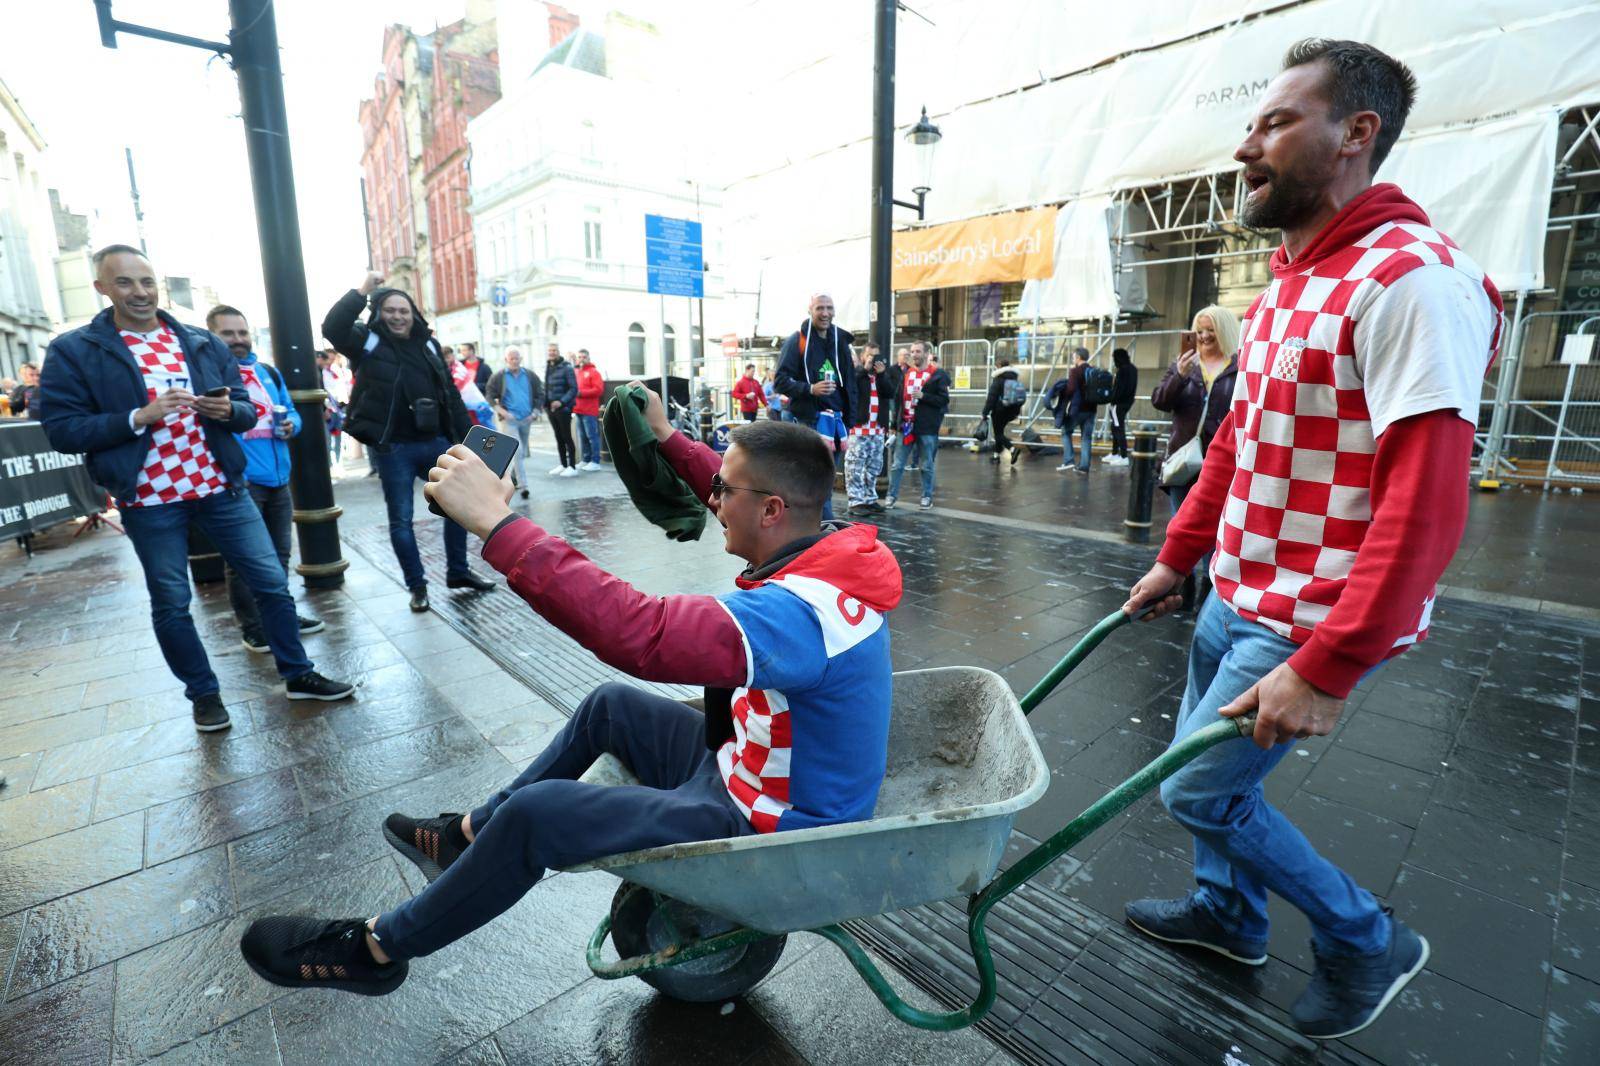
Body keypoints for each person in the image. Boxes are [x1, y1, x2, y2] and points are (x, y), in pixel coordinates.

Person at [238, 395, 902, 996]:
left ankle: (375, 951)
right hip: (745, 758)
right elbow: (739, 485)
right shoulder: (826, 543)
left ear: (771, 511)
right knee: (610, 705)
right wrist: (668, 437)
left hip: (771, 821)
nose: (713, 499)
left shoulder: (800, 617)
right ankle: (468, 838)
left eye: (724, 492)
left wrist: (497, 525)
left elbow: (640, 631)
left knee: (540, 814)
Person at [1121, 39, 1504, 1040]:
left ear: (1355, 135)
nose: (1244, 146)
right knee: (1202, 786)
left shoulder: (1412, 281)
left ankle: (1363, 935)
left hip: (1307, 616)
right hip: (1238, 590)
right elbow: (1237, 445)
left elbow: (1424, 504)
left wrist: (1329, 666)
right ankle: (1227, 916)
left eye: (1274, 122)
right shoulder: (1290, 278)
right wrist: (1180, 555)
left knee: (1196, 791)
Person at [40, 246, 354, 731]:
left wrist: (231, 412)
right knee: (171, 603)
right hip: (147, 501)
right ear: (101, 287)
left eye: (147, 281)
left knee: (272, 583)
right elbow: (62, 429)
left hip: (221, 489)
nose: (140, 292)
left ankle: (298, 673)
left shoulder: (199, 341)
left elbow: (248, 409)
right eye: (124, 283)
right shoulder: (74, 349)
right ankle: (204, 696)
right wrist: (138, 417)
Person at [322, 271, 496, 613]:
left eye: (404, 310)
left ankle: (458, 572)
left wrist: (470, 443)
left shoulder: (429, 345)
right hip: (394, 448)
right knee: (401, 521)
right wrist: (362, 291)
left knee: (458, 509)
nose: (398, 316)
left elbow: (451, 396)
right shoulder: (367, 341)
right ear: (379, 313)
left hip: (435, 441)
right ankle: (417, 587)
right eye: (390, 310)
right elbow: (333, 328)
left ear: (413, 313)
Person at [207, 304, 325, 652]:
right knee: (243, 560)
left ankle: (281, 617)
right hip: (241, 482)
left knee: (279, 555)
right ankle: (253, 626)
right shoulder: (209, 378)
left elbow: (291, 412)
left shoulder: (268, 373)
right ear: (211, 335)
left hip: (278, 479)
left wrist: (292, 425)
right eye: (228, 333)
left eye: (242, 333)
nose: (238, 340)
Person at [1151, 307, 1241, 609]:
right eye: (1198, 331)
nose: (1203, 337)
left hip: (1221, 463)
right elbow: (1160, 401)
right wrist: (1179, 375)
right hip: (1183, 460)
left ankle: (1207, 588)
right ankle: (1182, 589)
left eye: (1210, 330)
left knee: (1214, 528)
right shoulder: (1183, 365)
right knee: (1182, 525)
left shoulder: (1240, 365)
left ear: (1225, 331)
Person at [774, 292, 855, 518]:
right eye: (820, 308)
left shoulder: (840, 342)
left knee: (824, 483)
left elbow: (850, 384)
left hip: (836, 423)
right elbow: (780, 381)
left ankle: (818, 535)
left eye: (829, 308)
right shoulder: (796, 341)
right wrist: (810, 389)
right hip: (807, 421)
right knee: (811, 484)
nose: (825, 313)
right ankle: (819, 536)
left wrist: (850, 421)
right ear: (810, 310)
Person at [885, 341, 948, 510]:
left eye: (918, 351)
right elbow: (898, 400)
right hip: (905, 426)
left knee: (926, 464)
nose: (914, 355)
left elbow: (944, 400)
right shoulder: (906, 374)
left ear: (927, 353)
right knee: (897, 464)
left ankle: (927, 496)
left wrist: (923, 396)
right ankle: (891, 495)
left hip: (926, 428)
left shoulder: (938, 374)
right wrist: (894, 423)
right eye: (912, 352)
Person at [845, 341, 892, 514]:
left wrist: (882, 375)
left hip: (878, 429)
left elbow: (890, 392)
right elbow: (850, 386)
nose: (873, 359)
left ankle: (869, 499)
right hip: (859, 429)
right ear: (863, 356)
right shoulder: (856, 373)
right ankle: (855, 501)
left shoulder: (882, 375)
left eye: (876, 355)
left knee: (874, 466)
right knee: (855, 465)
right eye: (870, 355)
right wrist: (864, 369)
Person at [486, 348, 540, 498]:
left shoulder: (529, 375)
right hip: (510, 421)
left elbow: (540, 394)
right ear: (506, 360)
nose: (515, 361)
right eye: (512, 359)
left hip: (526, 419)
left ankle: (514, 479)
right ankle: (524, 486)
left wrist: (535, 413)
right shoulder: (499, 376)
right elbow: (489, 395)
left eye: (517, 358)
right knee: (518, 451)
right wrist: (501, 411)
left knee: (520, 453)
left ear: (520, 359)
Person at [1049, 348, 1096, 474]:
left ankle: (1069, 461)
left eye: (1073, 357)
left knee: (1066, 432)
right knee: (1086, 437)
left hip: (1078, 409)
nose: (1073, 359)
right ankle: (1084, 466)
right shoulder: (1093, 370)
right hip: (1092, 409)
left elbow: (1070, 389)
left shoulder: (1075, 371)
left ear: (1079, 357)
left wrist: (1061, 392)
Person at [980, 357, 1025, 466]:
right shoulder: (1014, 378)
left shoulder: (998, 379)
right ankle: (996, 456)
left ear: (999, 366)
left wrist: (985, 413)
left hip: (999, 410)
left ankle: (1013, 449)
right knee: (999, 432)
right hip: (1012, 411)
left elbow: (991, 397)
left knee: (998, 434)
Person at [543, 343, 579, 477]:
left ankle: (572, 466)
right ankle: (563, 464)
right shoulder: (548, 366)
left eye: (554, 350)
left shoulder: (567, 367)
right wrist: (545, 402)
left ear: (559, 352)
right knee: (558, 437)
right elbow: (546, 386)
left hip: (564, 408)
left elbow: (574, 389)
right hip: (550, 408)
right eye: (550, 350)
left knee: (566, 437)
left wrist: (561, 402)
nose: (552, 353)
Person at [316, 350, 351, 467]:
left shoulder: (335, 370)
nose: (329, 362)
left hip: (339, 406)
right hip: (328, 407)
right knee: (328, 437)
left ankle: (338, 460)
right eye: (327, 359)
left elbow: (341, 387)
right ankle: (330, 464)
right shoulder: (320, 372)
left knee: (338, 435)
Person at [1105, 348, 1138, 465]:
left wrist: (1111, 400)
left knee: (1118, 428)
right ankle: (1115, 453)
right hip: (1127, 403)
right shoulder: (1133, 369)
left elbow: (1119, 390)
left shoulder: (1122, 371)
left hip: (1118, 404)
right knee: (1116, 428)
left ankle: (1123, 456)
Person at [573, 349, 604, 470]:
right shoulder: (576, 371)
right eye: (579, 357)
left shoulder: (594, 372)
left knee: (592, 436)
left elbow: (598, 390)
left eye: (584, 357)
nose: (581, 359)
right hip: (578, 409)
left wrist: (581, 393)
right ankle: (586, 459)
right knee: (583, 436)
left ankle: (595, 461)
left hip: (589, 410)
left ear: (588, 358)